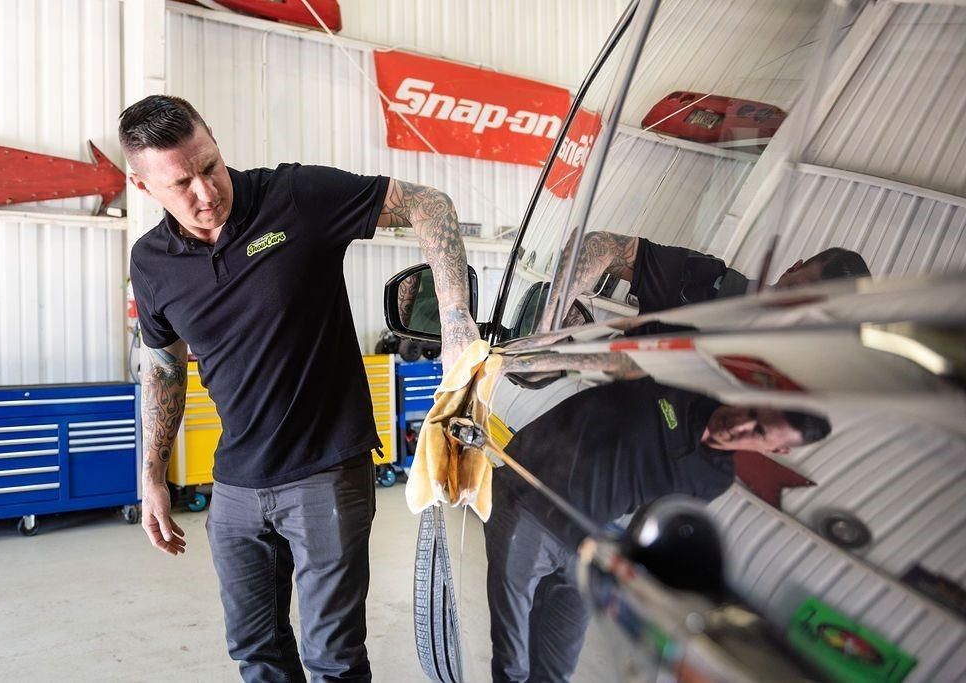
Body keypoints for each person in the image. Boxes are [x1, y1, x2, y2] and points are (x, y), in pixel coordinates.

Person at [121, 94, 479, 682]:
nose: (206, 191)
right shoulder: (151, 262)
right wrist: (153, 475)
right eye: (181, 182)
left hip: (326, 473)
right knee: (255, 652)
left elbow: (428, 203)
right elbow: (163, 368)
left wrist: (457, 322)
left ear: (215, 142)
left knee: (332, 660)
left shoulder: (293, 196)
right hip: (235, 484)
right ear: (143, 186)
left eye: (210, 165)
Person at [484, 373, 831, 682]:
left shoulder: (715, 477)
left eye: (758, 431)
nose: (741, 424)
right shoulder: (675, 390)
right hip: (531, 505)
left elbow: (655, 520)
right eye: (752, 411)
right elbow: (617, 365)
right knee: (512, 659)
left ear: (776, 448)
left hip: (587, 540)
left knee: (558, 664)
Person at [541, 232, 871, 329]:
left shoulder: (766, 391)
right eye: (796, 291)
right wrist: (549, 324)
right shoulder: (704, 282)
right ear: (792, 268)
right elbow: (598, 246)